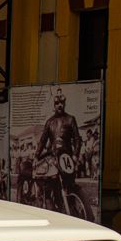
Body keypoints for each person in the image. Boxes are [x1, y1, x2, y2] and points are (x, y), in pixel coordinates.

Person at [35, 88, 84, 217]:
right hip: (53, 159)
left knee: (70, 186)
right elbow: (42, 141)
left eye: (62, 103)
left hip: (67, 158)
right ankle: (52, 210)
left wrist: (75, 155)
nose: (59, 105)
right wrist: (36, 156)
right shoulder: (49, 122)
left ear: (65, 103)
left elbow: (77, 139)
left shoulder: (71, 119)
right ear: (54, 105)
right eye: (57, 103)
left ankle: (73, 211)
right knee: (51, 186)